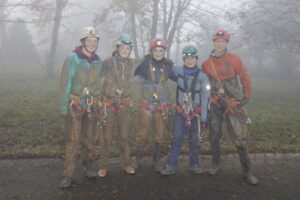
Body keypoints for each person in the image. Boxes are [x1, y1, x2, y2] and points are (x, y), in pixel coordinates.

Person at [201, 29, 258, 184]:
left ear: (226, 43)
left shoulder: (235, 59)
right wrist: (203, 105)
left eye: (222, 41)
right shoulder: (206, 64)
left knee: (240, 139)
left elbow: (245, 76)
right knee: (214, 135)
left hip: (233, 104)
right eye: (217, 41)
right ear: (213, 42)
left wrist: (246, 95)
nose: (219, 44)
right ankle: (215, 163)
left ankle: (247, 172)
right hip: (214, 104)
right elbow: (203, 85)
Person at [59, 26, 102, 188]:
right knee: (73, 140)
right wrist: (64, 107)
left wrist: (97, 98)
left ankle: (88, 166)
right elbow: (65, 82)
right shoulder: (73, 58)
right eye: (89, 40)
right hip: (75, 105)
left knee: (90, 138)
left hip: (91, 106)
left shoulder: (97, 61)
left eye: (95, 41)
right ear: (83, 41)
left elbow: (98, 83)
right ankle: (68, 174)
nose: (92, 43)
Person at [160, 45, 210, 175]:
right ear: (183, 59)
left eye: (192, 57)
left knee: (195, 139)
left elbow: (205, 97)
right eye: (187, 58)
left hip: (196, 114)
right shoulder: (178, 70)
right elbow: (164, 67)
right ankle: (170, 164)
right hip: (181, 112)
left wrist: (204, 117)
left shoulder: (203, 77)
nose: (189, 60)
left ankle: (193, 163)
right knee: (176, 138)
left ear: (196, 58)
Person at [97, 34, 139, 177]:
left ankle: (126, 164)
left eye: (128, 48)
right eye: (122, 47)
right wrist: (99, 97)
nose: (125, 50)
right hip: (108, 103)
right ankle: (103, 166)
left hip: (124, 104)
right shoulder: (108, 62)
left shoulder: (133, 63)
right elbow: (96, 77)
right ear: (117, 48)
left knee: (124, 136)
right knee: (106, 137)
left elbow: (150, 63)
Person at [132, 38, 173, 171]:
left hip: (162, 104)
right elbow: (132, 76)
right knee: (142, 133)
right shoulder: (144, 64)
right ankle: (137, 159)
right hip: (146, 103)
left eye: (161, 51)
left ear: (164, 52)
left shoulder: (168, 65)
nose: (158, 53)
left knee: (159, 134)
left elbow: (179, 77)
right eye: (156, 50)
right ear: (151, 51)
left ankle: (156, 161)